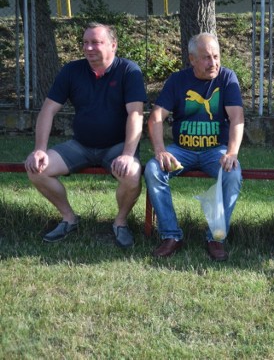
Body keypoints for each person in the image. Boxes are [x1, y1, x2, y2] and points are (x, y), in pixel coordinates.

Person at [24, 22, 147, 248]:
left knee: (132, 173)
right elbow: (48, 110)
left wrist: (129, 154)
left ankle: (120, 222)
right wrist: (39, 149)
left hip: (117, 147)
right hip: (80, 145)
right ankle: (69, 218)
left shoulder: (129, 71)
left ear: (113, 45)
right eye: (85, 43)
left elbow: (136, 114)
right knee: (36, 168)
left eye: (96, 43)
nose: (89, 48)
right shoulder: (72, 71)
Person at [144, 33, 244, 261]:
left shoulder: (227, 78)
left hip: (216, 151)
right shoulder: (177, 80)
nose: (213, 63)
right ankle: (171, 235)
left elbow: (237, 118)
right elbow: (156, 117)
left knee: (233, 173)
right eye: (207, 58)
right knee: (152, 169)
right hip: (182, 151)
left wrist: (232, 152)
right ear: (192, 59)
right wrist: (160, 150)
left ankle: (215, 238)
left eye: (216, 56)